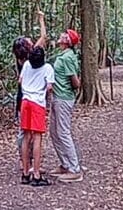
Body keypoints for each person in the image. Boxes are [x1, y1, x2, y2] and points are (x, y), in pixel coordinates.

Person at [19, 45, 54, 186]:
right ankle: (37, 174)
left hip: (25, 102)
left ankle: (25, 173)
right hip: (37, 104)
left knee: (26, 136)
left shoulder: (27, 64)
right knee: (37, 137)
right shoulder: (47, 68)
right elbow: (49, 87)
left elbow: (20, 80)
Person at [51, 28, 82, 182]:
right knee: (54, 133)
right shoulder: (62, 55)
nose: (61, 35)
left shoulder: (68, 57)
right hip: (56, 97)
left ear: (68, 41)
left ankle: (75, 169)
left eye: (65, 35)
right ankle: (65, 164)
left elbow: (75, 82)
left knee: (63, 133)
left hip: (64, 98)